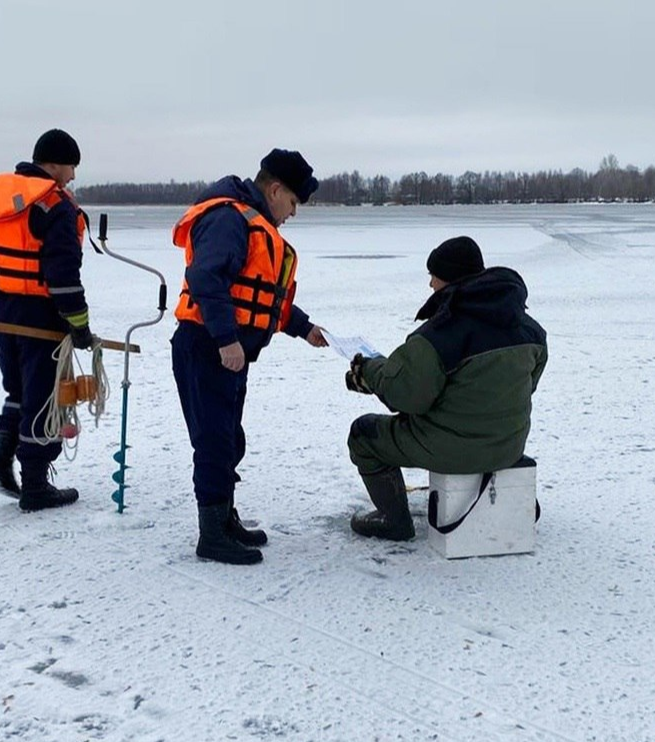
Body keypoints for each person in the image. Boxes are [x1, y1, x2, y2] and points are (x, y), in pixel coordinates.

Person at [171, 149, 329, 565]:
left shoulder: (252, 222)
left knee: (227, 440)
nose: (293, 213)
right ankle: (212, 536)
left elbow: (261, 297)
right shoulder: (229, 219)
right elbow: (206, 278)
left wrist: (304, 327)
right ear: (275, 189)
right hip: (207, 347)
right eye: (293, 203)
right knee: (214, 442)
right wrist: (225, 339)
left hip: (227, 351)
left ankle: (224, 519)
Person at [345, 236, 548, 540]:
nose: (430, 285)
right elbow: (526, 385)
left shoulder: (439, 334)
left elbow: (406, 396)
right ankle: (509, 502)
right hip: (507, 447)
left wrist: (369, 371)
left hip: (451, 449)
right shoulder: (530, 329)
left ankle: (393, 520)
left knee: (363, 435)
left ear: (449, 279)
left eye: (434, 276)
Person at [0, 128, 94, 512]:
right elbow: (63, 274)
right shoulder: (55, 205)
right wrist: (79, 326)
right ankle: (35, 486)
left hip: (0, 312)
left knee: (18, 390)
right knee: (41, 397)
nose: (72, 176)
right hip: (40, 317)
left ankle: (2, 461)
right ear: (53, 163)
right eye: (70, 167)